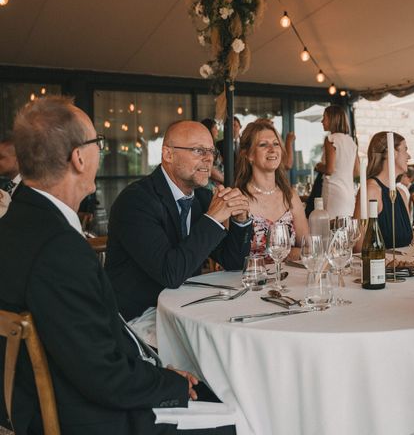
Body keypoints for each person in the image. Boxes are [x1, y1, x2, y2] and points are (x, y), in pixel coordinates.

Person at [0, 96, 233, 435]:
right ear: (79, 158)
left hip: (40, 402)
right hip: (94, 419)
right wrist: (170, 384)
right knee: (239, 418)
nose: (101, 152)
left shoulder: (16, 224)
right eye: (98, 143)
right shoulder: (59, 249)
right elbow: (103, 374)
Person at [106, 120, 252, 328]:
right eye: (198, 150)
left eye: (211, 151)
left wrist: (241, 220)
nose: (209, 158)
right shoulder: (136, 201)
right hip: (138, 319)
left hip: (185, 311)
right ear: (168, 154)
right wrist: (212, 219)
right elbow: (170, 273)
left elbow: (234, 262)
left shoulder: (200, 197)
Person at [235, 119, 309, 257]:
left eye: (276, 144)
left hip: (290, 277)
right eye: (263, 145)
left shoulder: (290, 195)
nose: (272, 149)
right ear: (249, 155)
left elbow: (307, 247)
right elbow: (232, 256)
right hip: (251, 278)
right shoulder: (238, 198)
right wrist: (291, 253)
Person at [354, 131, 413, 250]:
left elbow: (408, 242)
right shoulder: (371, 191)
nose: (409, 156)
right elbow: (358, 247)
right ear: (391, 153)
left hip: (405, 266)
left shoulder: (402, 194)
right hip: (379, 267)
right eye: (405, 150)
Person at [313, 105, 358, 218]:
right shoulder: (351, 141)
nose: (322, 121)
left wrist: (318, 166)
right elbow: (357, 172)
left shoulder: (331, 139)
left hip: (334, 191)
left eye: (325, 117)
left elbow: (329, 169)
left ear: (333, 119)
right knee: (345, 227)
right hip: (348, 193)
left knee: (330, 226)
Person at [200, 119, 225, 186]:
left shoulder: (213, 146)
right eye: (215, 128)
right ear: (209, 129)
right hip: (211, 185)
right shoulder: (206, 147)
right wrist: (224, 179)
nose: (217, 130)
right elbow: (209, 167)